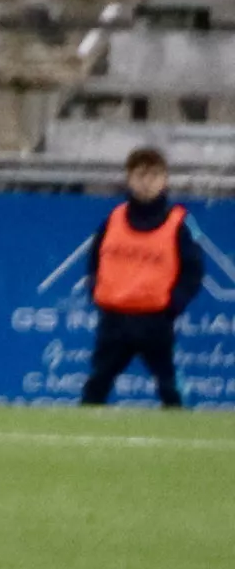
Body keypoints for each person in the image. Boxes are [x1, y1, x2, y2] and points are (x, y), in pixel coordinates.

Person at [76, 146, 207, 408]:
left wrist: (173, 305)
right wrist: (97, 292)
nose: (147, 183)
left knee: (170, 387)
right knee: (96, 385)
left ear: (165, 180)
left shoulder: (179, 222)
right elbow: (94, 261)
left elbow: (194, 270)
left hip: (155, 320)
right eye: (140, 175)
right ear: (129, 178)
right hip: (114, 319)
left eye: (154, 175)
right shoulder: (113, 219)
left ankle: (179, 438)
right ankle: (80, 442)